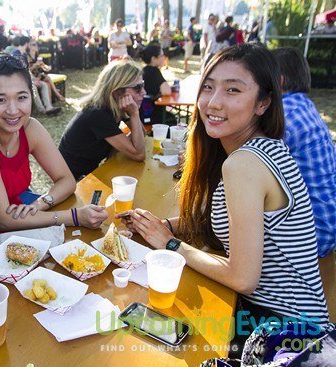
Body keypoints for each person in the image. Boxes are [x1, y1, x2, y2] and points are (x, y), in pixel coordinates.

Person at [118, 44, 330, 344]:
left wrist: (170, 243)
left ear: (263, 103)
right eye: (208, 87)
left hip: (286, 333)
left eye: (233, 90)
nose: (214, 103)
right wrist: (166, 225)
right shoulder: (263, 147)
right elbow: (231, 219)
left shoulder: (244, 163)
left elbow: (243, 278)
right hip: (290, 318)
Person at [0, 54, 107, 258]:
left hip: (23, 235)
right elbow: (5, 219)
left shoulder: (30, 127)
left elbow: (66, 180)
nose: (13, 110)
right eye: (1, 100)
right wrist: (74, 216)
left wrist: (42, 202)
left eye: (21, 97)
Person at [270, 47, 336, 286]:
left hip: (308, 239)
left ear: (278, 81)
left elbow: (249, 167)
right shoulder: (303, 107)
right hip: (327, 227)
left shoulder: (283, 115)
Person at [58, 59, 147, 180]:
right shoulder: (98, 114)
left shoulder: (113, 106)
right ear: (117, 91)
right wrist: (134, 114)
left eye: (143, 85)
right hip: (73, 180)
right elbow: (139, 154)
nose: (144, 92)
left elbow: (143, 134)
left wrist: (130, 114)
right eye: (138, 87)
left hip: (92, 172)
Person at [139, 43, 177, 125]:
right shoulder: (154, 71)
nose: (164, 58)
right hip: (150, 114)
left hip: (142, 112)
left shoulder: (143, 70)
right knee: (171, 119)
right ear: (153, 58)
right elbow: (167, 91)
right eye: (161, 55)